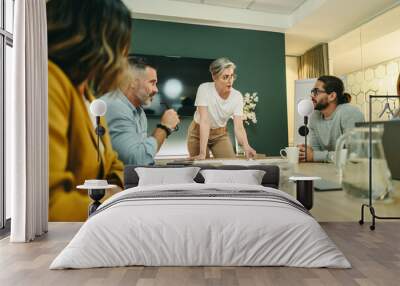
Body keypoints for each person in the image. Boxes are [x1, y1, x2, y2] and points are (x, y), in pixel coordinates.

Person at [48, 0, 131, 221]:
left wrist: (111, 196)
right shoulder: (49, 81)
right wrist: (114, 206)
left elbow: (114, 165)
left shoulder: (90, 98)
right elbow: (49, 203)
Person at [101, 57, 180, 165]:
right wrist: (164, 127)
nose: (156, 90)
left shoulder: (140, 113)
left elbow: (143, 157)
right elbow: (137, 161)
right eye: (152, 83)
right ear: (132, 82)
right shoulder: (114, 106)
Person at [187, 57, 257, 160]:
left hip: (220, 135)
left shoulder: (237, 96)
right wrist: (202, 153)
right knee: (201, 166)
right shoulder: (204, 89)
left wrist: (246, 146)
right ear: (214, 77)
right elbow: (205, 121)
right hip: (197, 133)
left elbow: (239, 127)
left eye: (232, 76)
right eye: (225, 77)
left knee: (230, 166)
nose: (230, 81)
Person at [299, 75, 365, 162]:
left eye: (316, 92)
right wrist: (306, 153)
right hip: (329, 171)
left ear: (332, 96)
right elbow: (316, 153)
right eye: (312, 91)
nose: (312, 96)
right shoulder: (314, 116)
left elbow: (355, 155)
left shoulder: (350, 113)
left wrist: (315, 155)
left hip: (354, 172)